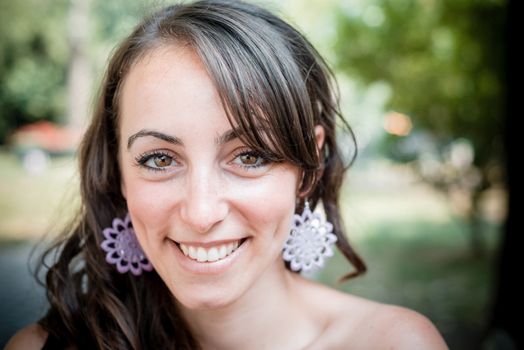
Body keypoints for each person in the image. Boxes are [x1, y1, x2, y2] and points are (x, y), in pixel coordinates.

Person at [6, 1, 449, 349]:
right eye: (160, 159)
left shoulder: (395, 344)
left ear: (307, 170)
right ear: (118, 172)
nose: (201, 213)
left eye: (250, 156)